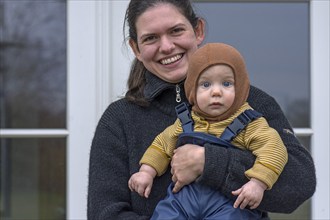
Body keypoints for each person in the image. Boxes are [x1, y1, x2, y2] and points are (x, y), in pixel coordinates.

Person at [87, 0, 316, 219]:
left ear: (198, 30)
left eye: (176, 31)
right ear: (136, 48)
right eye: (151, 38)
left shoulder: (251, 102)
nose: (166, 46)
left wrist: (208, 163)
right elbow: (104, 213)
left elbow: (299, 183)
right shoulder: (119, 120)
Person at [128, 43, 288, 219]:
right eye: (205, 84)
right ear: (192, 90)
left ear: (241, 87)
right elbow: (161, 145)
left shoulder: (249, 123)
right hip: (183, 199)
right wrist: (146, 172)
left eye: (227, 83)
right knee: (165, 214)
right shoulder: (185, 121)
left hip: (228, 203)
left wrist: (258, 183)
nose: (216, 92)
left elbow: (274, 150)